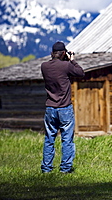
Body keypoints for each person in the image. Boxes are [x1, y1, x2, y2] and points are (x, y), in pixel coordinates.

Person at [40, 41, 85, 173]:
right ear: (64, 53)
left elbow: (53, 66)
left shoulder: (44, 66)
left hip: (50, 108)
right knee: (67, 139)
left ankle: (46, 168)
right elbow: (80, 72)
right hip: (65, 108)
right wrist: (72, 60)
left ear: (52, 53)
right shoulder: (66, 66)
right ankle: (65, 168)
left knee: (49, 139)